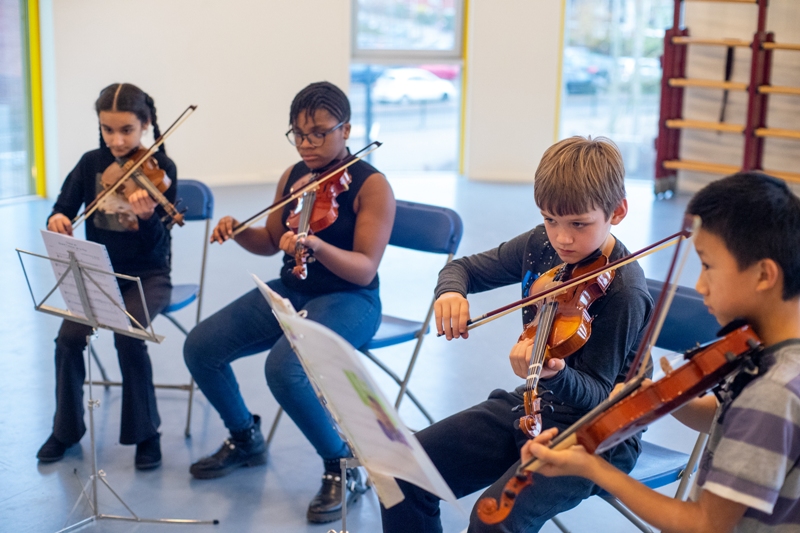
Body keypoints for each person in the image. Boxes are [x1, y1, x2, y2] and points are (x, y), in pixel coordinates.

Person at [380, 136, 654, 532]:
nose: (562, 238)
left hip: (599, 432)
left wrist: (555, 373)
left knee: (495, 516)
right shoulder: (541, 245)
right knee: (402, 469)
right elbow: (464, 269)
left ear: (618, 211)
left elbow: (597, 393)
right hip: (533, 406)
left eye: (579, 224)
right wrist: (451, 292)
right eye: (550, 219)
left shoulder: (625, 290)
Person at [522, 172, 800, 533]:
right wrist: (663, 399)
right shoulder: (770, 358)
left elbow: (705, 525)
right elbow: (725, 417)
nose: (700, 284)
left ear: (764, 275)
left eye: (707, 265)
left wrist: (593, 467)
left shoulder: (771, 391)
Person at [183, 81, 395, 523]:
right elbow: (268, 242)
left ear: (347, 128)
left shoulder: (371, 186)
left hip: (349, 301)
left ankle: (341, 463)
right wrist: (239, 231)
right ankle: (246, 439)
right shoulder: (294, 176)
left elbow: (364, 269)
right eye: (298, 134)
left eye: (319, 132)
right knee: (200, 347)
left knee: (284, 367)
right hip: (290, 292)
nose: (307, 143)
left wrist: (314, 245)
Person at [37, 83, 177, 470]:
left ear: (145, 124)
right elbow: (62, 205)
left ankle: (147, 434)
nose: (116, 140)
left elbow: (159, 241)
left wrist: (148, 218)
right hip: (99, 272)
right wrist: (58, 218)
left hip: (148, 275)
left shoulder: (161, 168)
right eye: (107, 129)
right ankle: (65, 430)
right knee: (68, 338)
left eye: (127, 130)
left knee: (129, 335)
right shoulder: (90, 164)